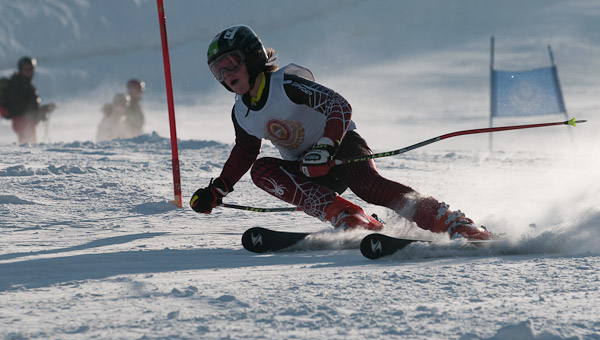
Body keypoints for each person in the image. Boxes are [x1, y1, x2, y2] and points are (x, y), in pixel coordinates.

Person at [190, 25, 492, 240]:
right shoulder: (241, 111)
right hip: (308, 167)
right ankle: (347, 215)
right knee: (263, 169)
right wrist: (217, 190)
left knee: (368, 186)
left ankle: (453, 221)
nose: (226, 75)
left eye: (230, 64)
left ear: (252, 56)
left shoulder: (286, 85)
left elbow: (338, 104)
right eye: (218, 70)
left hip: (341, 148)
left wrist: (325, 146)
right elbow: (245, 151)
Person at [0, 57, 55, 144]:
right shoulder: (17, 84)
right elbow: (21, 109)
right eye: (25, 69)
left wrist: (43, 110)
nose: (28, 71)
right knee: (28, 147)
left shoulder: (27, 84)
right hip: (22, 122)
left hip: (28, 122)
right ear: (20, 69)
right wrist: (39, 113)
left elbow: (30, 109)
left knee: (30, 146)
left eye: (30, 69)